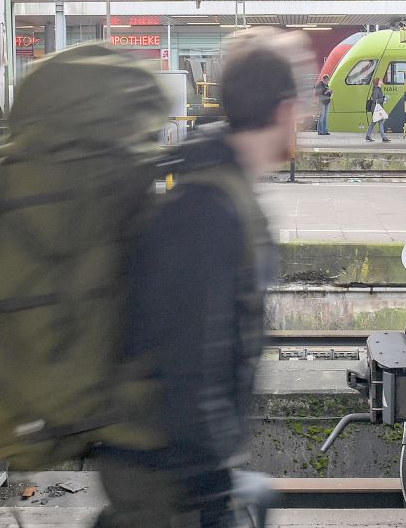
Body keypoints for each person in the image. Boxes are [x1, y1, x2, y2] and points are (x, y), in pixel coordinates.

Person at [95, 27, 313, 528]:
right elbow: (190, 364)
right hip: (164, 474)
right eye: (302, 104)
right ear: (283, 110)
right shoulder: (207, 209)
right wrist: (212, 489)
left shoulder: (223, 189)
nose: (304, 116)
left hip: (174, 466)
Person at [365, 77, 390, 143]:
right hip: (376, 109)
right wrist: (383, 99)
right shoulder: (376, 90)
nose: (381, 81)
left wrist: (384, 97)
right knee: (380, 122)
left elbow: (378, 98)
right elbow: (375, 100)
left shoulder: (378, 89)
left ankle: (368, 135)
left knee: (374, 122)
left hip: (377, 108)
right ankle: (383, 137)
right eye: (380, 80)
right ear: (378, 82)